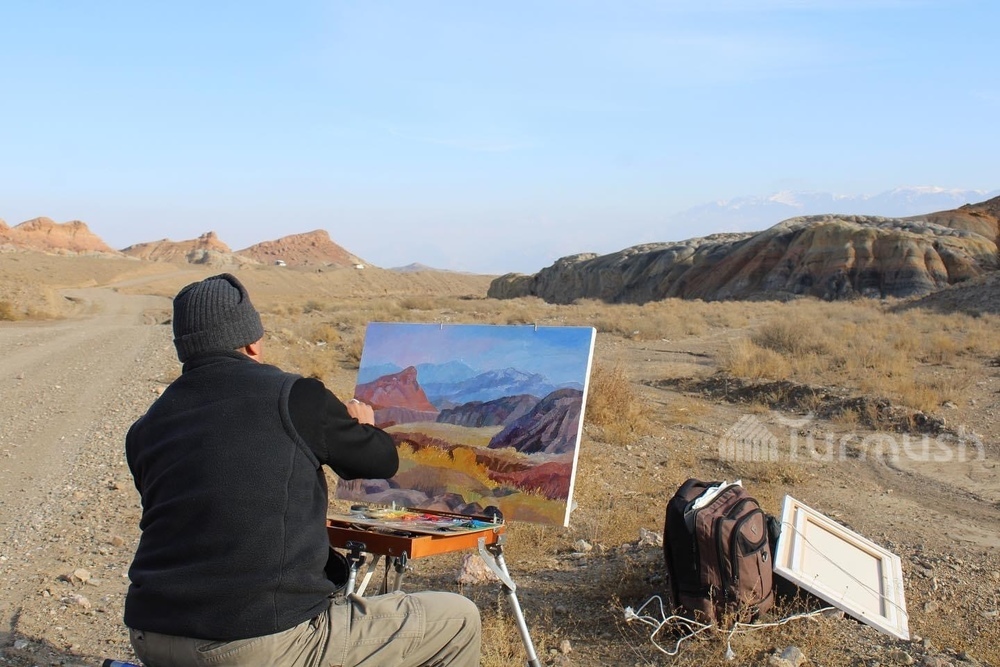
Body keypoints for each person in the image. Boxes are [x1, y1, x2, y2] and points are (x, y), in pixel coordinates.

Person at [124, 273, 481, 667]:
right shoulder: (294, 396)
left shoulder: (146, 427)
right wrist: (365, 427)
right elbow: (381, 462)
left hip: (150, 635)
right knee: (458, 619)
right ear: (253, 341)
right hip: (256, 640)